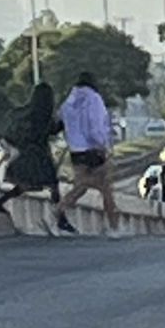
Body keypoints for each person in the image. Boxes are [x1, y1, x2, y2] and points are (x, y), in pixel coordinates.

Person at [0, 83, 73, 232]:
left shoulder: (24, 113)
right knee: (53, 186)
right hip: (38, 156)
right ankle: (62, 219)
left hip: (24, 155)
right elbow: (52, 130)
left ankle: (0, 202)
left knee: (25, 185)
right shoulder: (42, 116)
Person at [57, 72, 120, 234]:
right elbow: (95, 126)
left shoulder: (67, 103)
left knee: (81, 186)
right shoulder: (94, 99)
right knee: (106, 189)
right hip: (94, 150)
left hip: (76, 151)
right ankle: (114, 227)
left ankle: (61, 209)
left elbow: (64, 125)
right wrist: (103, 144)